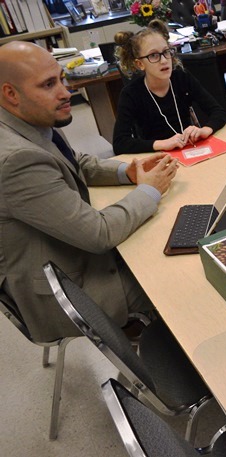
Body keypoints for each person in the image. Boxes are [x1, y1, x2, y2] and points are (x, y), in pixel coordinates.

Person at [0, 41, 179, 343]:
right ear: (10, 94)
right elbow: (98, 234)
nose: (65, 92)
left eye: (61, 78)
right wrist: (149, 189)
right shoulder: (16, 159)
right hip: (69, 291)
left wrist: (127, 171)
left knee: (164, 238)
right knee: (177, 277)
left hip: (66, 254)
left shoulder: (30, 117)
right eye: (48, 84)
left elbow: (74, 161)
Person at [112, 19, 226, 155]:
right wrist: (162, 144)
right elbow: (120, 143)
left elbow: (219, 112)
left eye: (166, 52)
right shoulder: (131, 93)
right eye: (154, 55)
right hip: (156, 157)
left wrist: (205, 130)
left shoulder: (181, 78)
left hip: (190, 150)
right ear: (140, 64)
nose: (163, 60)